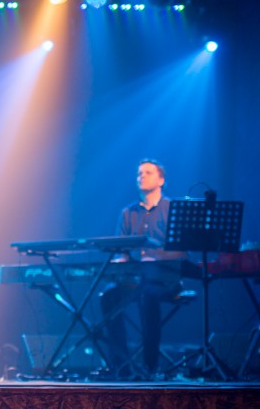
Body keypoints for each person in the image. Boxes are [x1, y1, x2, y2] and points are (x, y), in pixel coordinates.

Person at [100, 159, 186, 378]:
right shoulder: (128, 213)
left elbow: (184, 251)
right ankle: (121, 366)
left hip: (165, 280)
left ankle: (150, 366)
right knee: (107, 297)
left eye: (147, 172)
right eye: (139, 173)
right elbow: (121, 250)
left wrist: (153, 255)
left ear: (161, 179)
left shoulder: (173, 209)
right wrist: (120, 260)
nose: (141, 176)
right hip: (134, 280)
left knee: (148, 296)